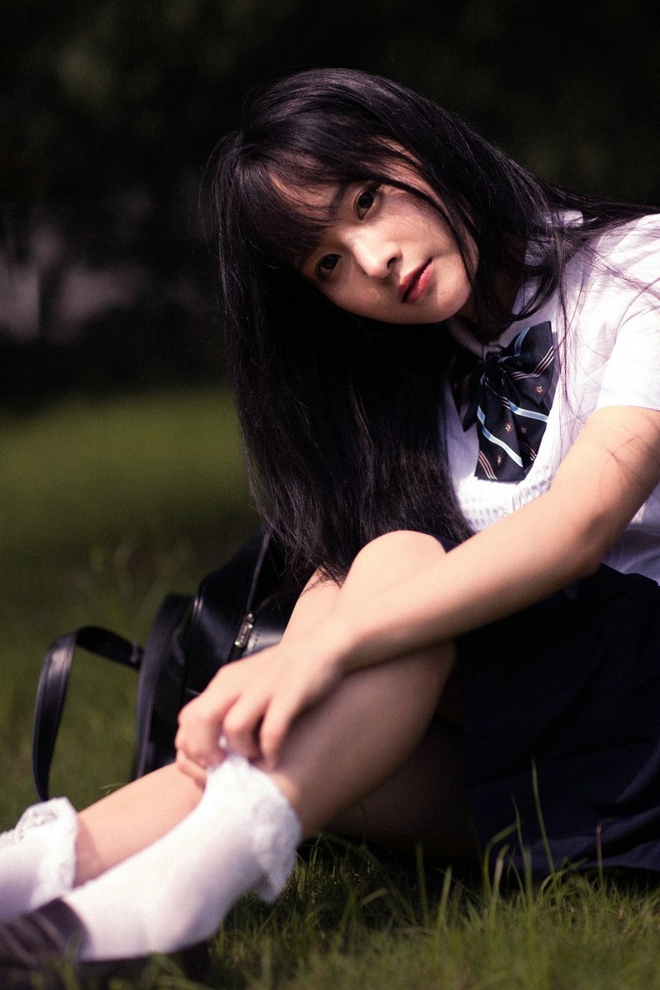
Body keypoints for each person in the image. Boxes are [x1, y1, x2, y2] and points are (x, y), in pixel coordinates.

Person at [2, 65, 660, 977]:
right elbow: (347, 573)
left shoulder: (637, 267)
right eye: (328, 265)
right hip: (557, 775)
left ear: (416, 144)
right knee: (330, 718)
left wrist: (322, 651)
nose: (374, 260)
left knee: (391, 563)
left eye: (366, 199)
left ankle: (168, 887)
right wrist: (307, 655)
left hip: (642, 707)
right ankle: (44, 867)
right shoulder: (403, 366)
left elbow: (581, 524)